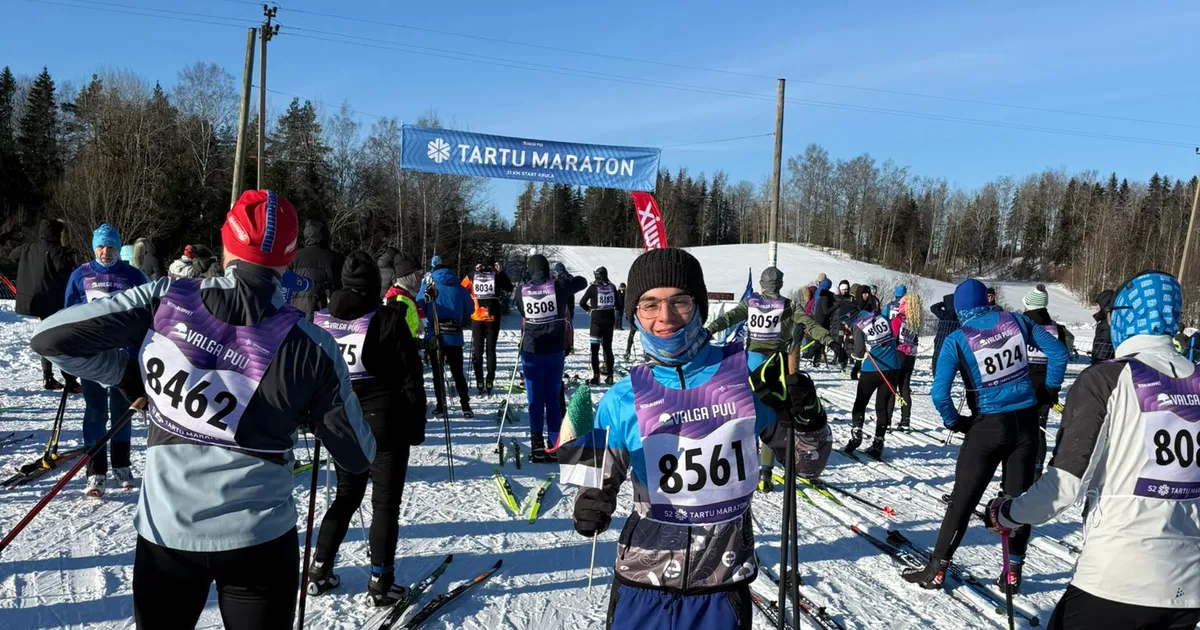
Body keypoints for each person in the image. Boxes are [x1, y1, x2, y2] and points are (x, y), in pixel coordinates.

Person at [31, 190, 376, 629]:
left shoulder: (167, 298)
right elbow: (358, 455)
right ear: (289, 260)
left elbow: (49, 338)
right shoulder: (312, 346)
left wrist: (124, 375)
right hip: (260, 543)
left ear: (227, 243)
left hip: (167, 537)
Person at [571, 248, 832, 630]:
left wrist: (809, 417)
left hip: (721, 587)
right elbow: (590, 480)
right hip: (642, 584)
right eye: (649, 304)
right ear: (634, 314)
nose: (665, 317)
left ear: (699, 306)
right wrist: (587, 502)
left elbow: (808, 464)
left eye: (679, 301)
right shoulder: (622, 395)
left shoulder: (742, 378)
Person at [985, 270, 1200, 630]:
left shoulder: (1105, 379)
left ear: (1126, 316)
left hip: (1119, 579)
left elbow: (1064, 486)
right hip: (1188, 587)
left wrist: (1008, 513)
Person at [903, 278, 1067, 591]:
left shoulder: (957, 339)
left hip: (988, 426)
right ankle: (1012, 573)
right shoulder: (1017, 320)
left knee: (963, 501)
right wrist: (1050, 391)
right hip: (1026, 423)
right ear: (987, 300)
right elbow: (1058, 354)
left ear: (960, 308)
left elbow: (940, 394)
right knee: (1017, 503)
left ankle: (936, 569)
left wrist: (955, 422)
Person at [308, 252, 426, 606]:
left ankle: (319, 567)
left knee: (346, 496)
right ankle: (380, 580)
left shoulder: (321, 319)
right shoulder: (386, 319)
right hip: (383, 422)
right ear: (375, 285)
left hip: (342, 422)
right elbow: (411, 379)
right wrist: (416, 426)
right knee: (384, 504)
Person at [705, 266, 839, 490]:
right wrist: (830, 341)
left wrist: (709, 330)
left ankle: (738, 466)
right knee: (773, 418)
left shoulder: (752, 302)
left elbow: (729, 318)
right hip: (776, 368)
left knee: (745, 415)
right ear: (780, 284)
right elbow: (810, 324)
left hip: (750, 365)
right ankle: (766, 473)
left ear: (761, 284)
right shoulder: (788, 305)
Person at [64, 224, 149, 496]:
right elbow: (69, 317)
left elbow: (148, 313)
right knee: (95, 412)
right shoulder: (81, 275)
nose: (105, 251)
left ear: (118, 247)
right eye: (100, 246)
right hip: (93, 357)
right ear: (93, 248)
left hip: (125, 357)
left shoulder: (133, 275)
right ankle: (95, 470)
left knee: (122, 412)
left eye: (111, 246)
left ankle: (122, 466)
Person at [517, 254, 585, 462]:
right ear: (547, 269)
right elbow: (582, 282)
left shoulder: (522, 290)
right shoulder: (559, 286)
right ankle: (554, 442)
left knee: (535, 398)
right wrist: (563, 276)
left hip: (532, 348)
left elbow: (521, 310)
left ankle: (536, 442)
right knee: (553, 398)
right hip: (555, 349)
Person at [11, 218, 78, 391]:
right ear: (57, 233)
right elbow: (65, 272)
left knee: (46, 336)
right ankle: (69, 380)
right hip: (54, 302)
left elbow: (12, 256)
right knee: (61, 339)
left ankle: (48, 377)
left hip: (34, 301)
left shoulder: (28, 248)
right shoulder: (56, 251)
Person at [844, 286, 901, 459]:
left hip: (873, 368)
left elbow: (860, 351)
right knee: (881, 407)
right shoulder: (882, 317)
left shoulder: (859, 322)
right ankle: (878, 443)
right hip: (893, 367)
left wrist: (854, 355)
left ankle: (856, 435)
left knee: (860, 402)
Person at [1021, 284, 1070, 479]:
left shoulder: (1022, 325)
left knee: (1019, 426)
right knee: (1038, 427)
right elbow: (1061, 356)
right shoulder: (1057, 329)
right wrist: (1053, 387)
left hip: (1023, 381)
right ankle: (1036, 468)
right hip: (1046, 384)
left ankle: (1018, 468)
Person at [420, 260, 475, 418]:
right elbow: (470, 309)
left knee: (438, 374)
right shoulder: (459, 288)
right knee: (457, 372)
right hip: (455, 335)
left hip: (435, 335)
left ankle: (441, 406)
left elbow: (420, 305)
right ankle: (465, 406)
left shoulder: (430, 286)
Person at [462, 256, 514, 395]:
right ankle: (490, 378)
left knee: (477, 351)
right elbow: (509, 288)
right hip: (492, 318)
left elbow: (461, 288)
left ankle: (479, 379)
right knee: (491, 350)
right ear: (493, 265)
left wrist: (474, 272)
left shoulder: (473, 276)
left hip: (477, 318)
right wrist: (501, 272)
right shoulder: (496, 276)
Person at [288, 218, 344, 320]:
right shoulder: (336, 259)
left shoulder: (293, 258)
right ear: (325, 234)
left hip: (297, 314)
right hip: (326, 315)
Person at [890, 292, 922, 431]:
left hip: (899, 353)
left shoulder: (898, 319)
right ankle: (905, 420)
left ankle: (887, 419)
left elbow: (892, 338)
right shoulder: (915, 322)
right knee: (904, 388)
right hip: (910, 356)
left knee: (891, 388)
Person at [384, 253, 424, 340]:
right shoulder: (396, 300)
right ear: (408, 277)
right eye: (418, 274)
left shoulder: (408, 295)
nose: (421, 279)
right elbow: (395, 338)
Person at [930, 292, 958, 368]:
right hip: (952, 343)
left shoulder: (945, 314)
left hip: (940, 341)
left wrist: (942, 304)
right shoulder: (958, 316)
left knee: (936, 362)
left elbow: (933, 308)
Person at [1091, 289, 1115, 363]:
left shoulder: (1108, 322)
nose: (1096, 308)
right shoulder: (1104, 320)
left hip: (1103, 362)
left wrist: (1098, 362)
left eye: (1098, 305)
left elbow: (1105, 345)